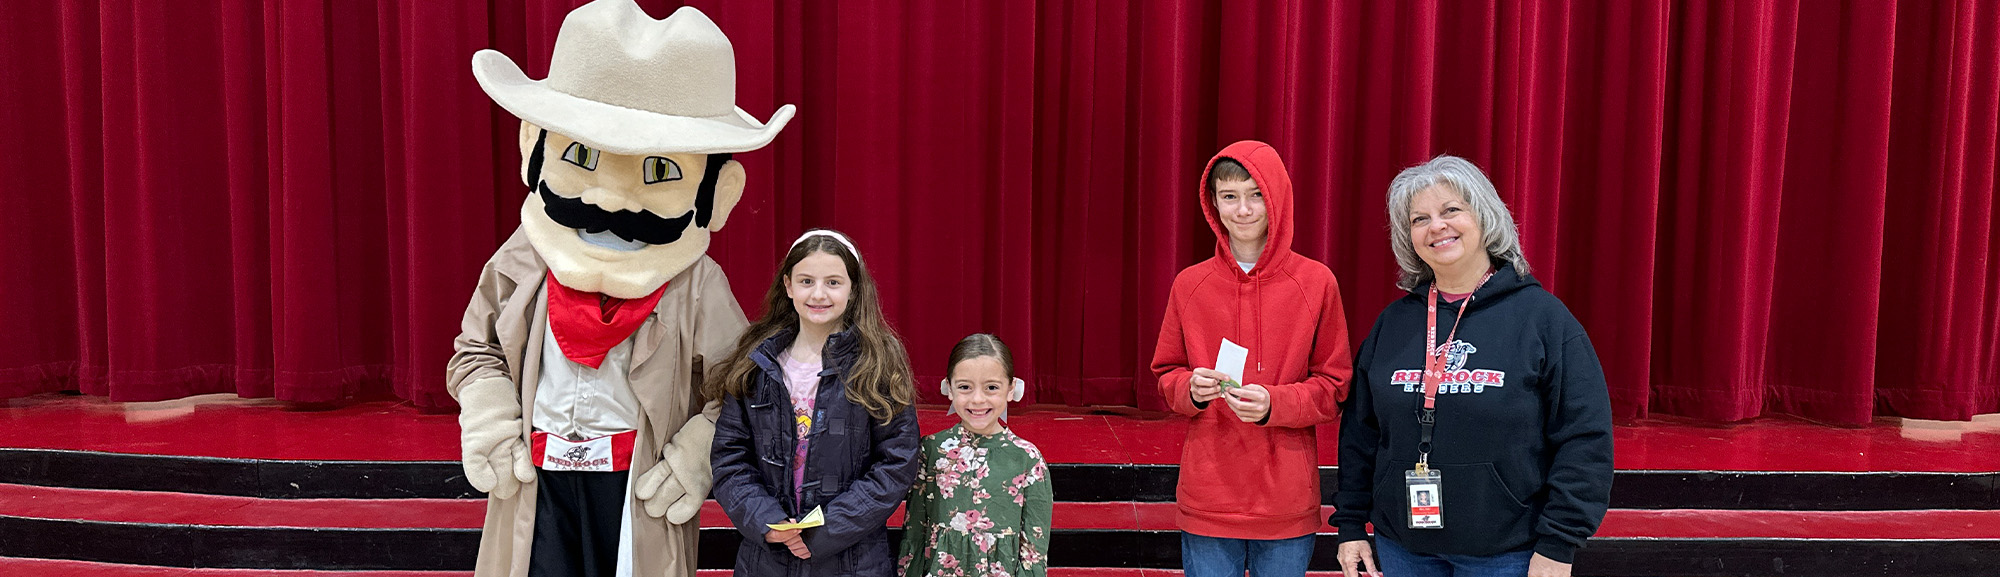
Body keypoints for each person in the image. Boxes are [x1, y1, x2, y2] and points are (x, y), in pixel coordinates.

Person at [448, 3, 793, 576]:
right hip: (537, 478)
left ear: (718, 190)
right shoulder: (524, 258)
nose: (609, 200)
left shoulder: (695, 283)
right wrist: (489, 417)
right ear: (534, 147)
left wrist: (692, 457)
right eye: (581, 156)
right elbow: (475, 347)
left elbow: (744, 384)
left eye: (659, 170)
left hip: (636, 482)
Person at [1333, 155, 1614, 577]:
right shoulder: (1393, 324)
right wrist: (1351, 524)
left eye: (1451, 211)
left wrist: (1559, 543)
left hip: (1507, 553)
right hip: (1403, 548)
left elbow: (1584, 438)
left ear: (1484, 217)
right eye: (1420, 219)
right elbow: (1360, 433)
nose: (1437, 227)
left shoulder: (1543, 319)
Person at [1152, 140, 1353, 577]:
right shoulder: (1189, 284)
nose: (1243, 209)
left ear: (1277, 196)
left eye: (1256, 194)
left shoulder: (1316, 283)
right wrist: (1191, 389)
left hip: (1285, 499)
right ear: (1213, 204)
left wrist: (1274, 404)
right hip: (1209, 496)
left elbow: (1334, 387)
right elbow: (1167, 373)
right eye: (1229, 196)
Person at [710, 230, 922, 577]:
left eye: (834, 282)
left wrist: (824, 532)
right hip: (767, 559)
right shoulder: (756, 363)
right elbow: (729, 458)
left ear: (853, 290)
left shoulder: (878, 363)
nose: (819, 294)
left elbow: (896, 463)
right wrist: (768, 522)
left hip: (852, 560)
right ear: (789, 286)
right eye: (807, 281)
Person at [899, 334, 1054, 577]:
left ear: (1011, 389)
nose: (978, 399)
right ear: (948, 388)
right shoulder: (931, 450)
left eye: (991, 387)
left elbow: (1034, 552)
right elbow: (914, 533)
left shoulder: (1028, 459)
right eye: (964, 387)